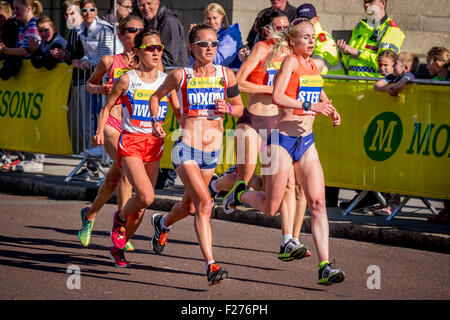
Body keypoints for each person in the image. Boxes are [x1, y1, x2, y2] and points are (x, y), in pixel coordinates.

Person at [223, 20, 345, 286]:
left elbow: (318, 91)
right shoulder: (290, 61)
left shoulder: (314, 65)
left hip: (307, 142)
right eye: (305, 38)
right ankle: (239, 193)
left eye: (313, 37)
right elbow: (278, 96)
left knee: (318, 204)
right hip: (283, 140)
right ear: (293, 41)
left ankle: (325, 266)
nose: (311, 42)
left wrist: (329, 107)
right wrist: (308, 105)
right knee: (271, 208)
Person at [210, 8, 309, 261]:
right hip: (253, 120)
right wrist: (272, 88)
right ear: (267, 31)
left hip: (278, 124)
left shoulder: (290, 53)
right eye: (280, 27)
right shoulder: (262, 49)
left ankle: (288, 240)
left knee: (285, 183)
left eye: (288, 26)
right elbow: (239, 82)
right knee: (248, 178)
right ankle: (216, 186)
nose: (286, 31)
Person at [149, 24, 244, 285]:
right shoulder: (181, 75)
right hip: (186, 147)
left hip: (211, 151)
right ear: (192, 47)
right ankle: (211, 265)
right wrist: (157, 121)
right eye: (204, 44)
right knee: (204, 203)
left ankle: (162, 224)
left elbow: (239, 108)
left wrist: (229, 108)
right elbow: (156, 97)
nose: (210, 48)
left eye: (214, 44)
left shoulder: (227, 75)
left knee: (190, 206)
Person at [95, 28, 179, 267]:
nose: (156, 52)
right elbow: (106, 107)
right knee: (146, 196)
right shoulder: (127, 79)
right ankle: (119, 217)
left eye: (159, 48)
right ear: (138, 51)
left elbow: (178, 112)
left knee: (141, 208)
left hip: (154, 145)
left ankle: (118, 248)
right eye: (150, 48)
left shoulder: (167, 80)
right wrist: (100, 131)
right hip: (131, 141)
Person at [78, 16, 143, 250]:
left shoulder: (148, 63)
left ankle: (90, 214)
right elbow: (89, 84)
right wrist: (102, 88)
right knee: (127, 170)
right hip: (111, 122)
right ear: (121, 34)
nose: (135, 35)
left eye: (139, 31)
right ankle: (121, 228)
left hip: (135, 126)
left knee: (115, 177)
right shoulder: (109, 60)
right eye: (130, 31)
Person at [137, 0, 189, 188]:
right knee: (162, 124)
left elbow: (168, 56)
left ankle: (169, 173)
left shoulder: (168, 20)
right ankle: (160, 171)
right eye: (141, 4)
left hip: (173, 81)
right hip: (161, 82)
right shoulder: (149, 21)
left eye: (149, 3)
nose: (145, 7)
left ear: (158, 2)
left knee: (175, 124)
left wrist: (143, 62)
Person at [337, 0, 405, 78]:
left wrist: (358, 53)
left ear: (382, 3)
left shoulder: (391, 30)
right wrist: (346, 53)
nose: (366, 5)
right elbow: (348, 64)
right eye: (365, 1)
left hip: (375, 86)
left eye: (370, 1)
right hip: (353, 85)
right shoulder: (360, 27)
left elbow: (388, 66)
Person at [425, 46, 449, 225]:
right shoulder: (435, 78)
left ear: (438, 64)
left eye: (428, 63)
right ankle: (446, 209)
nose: (426, 66)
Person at [296, 3, 345, 76]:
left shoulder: (324, 40)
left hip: (331, 84)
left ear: (316, 19)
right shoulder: (297, 37)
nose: (305, 22)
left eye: (308, 19)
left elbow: (317, 68)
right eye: (301, 19)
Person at [136, 0, 188, 67]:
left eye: (149, 3)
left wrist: (143, 64)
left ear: (157, 3)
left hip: (172, 72)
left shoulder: (169, 21)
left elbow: (169, 57)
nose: (146, 8)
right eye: (142, 5)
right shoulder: (146, 22)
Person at [190, 2, 243, 69]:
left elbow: (220, 60)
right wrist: (195, 37)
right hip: (204, 74)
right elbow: (192, 62)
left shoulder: (231, 35)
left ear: (223, 18)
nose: (211, 22)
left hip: (229, 76)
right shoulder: (206, 33)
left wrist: (200, 44)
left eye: (215, 18)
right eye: (209, 18)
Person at [0, 1, 20, 80]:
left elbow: (12, 46)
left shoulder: (11, 24)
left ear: (8, 12)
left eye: (0, 16)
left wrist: (3, 50)